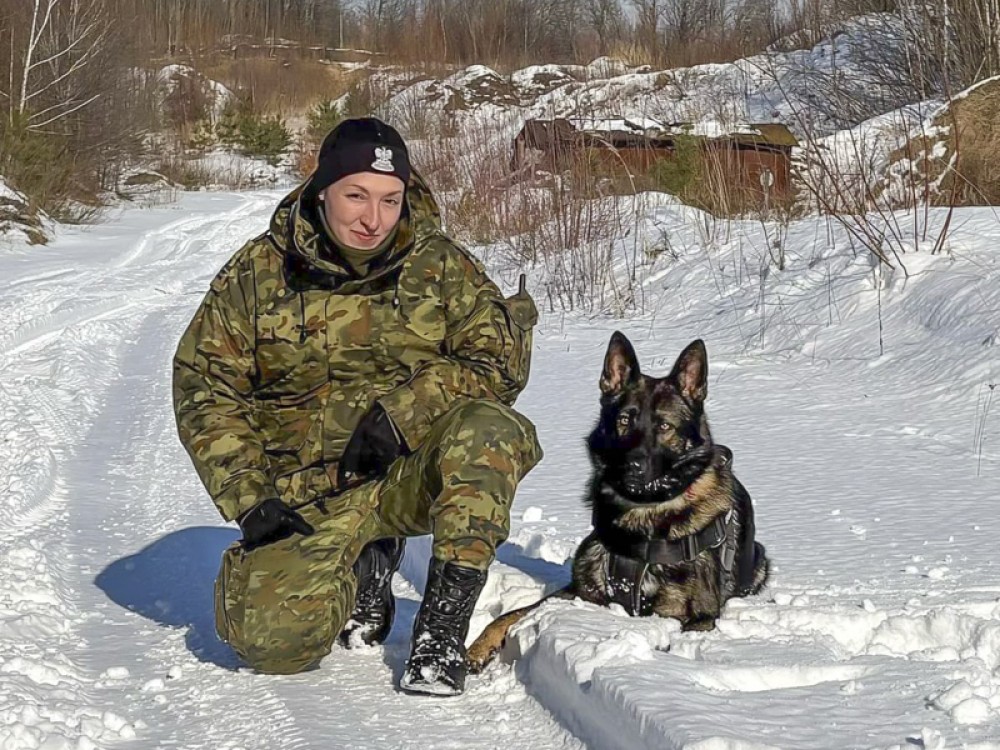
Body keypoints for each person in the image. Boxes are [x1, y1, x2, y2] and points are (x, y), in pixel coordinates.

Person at [172, 117, 542, 696]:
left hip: (404, 477)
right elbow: (205, 385)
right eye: (356, 196)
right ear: (323, 190)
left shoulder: (440, 264)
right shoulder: (259, 273)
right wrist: (250, 499)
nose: (374, 219)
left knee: (489, 429)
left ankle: (439, 632)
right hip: (308, 494)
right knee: (274, 644)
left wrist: (408, 411)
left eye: (390, 200)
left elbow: (498, 362)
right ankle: (365, 564)